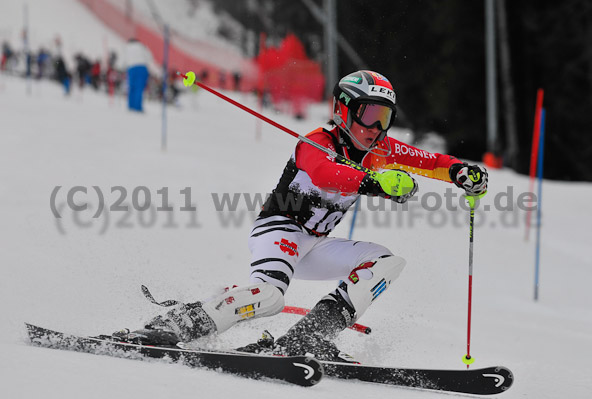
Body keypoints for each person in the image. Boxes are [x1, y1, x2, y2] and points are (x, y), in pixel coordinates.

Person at [115, 70, 488, 361]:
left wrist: (461, 173)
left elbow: (433, 162)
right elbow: (328, 174)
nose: (375, 128)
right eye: (369, 115)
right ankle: (172, 325)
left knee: (387, 261)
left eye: (384, 117)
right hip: (279, 231)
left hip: (314, 245)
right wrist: (375, 182)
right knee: (270, 297)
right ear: (344, 109)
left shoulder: (379, 147)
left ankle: (308, 336)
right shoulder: (316, 143)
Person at [124, 38, 151, 112]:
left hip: (131, 68)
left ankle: (131, 106)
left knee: (132, 87)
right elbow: (149, 57)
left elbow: (125, 60)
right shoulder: (142, 46)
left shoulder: (127, 47)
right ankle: (137, 107)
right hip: (141, 67)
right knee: (139, 88)